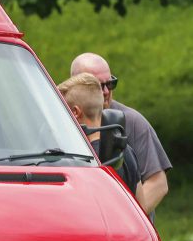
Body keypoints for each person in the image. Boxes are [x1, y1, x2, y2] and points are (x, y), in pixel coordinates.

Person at [70, 53, 171, 215]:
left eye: (110, 84)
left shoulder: (132, 122)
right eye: (97, 86)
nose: (105, 91)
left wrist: (128, 220)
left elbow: (158, 183)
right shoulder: (59, 124)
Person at [58, 73, 144, 201]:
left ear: (75, 112)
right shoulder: (124, 151)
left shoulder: (80, 158)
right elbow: (141, 205)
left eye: (62, 110)